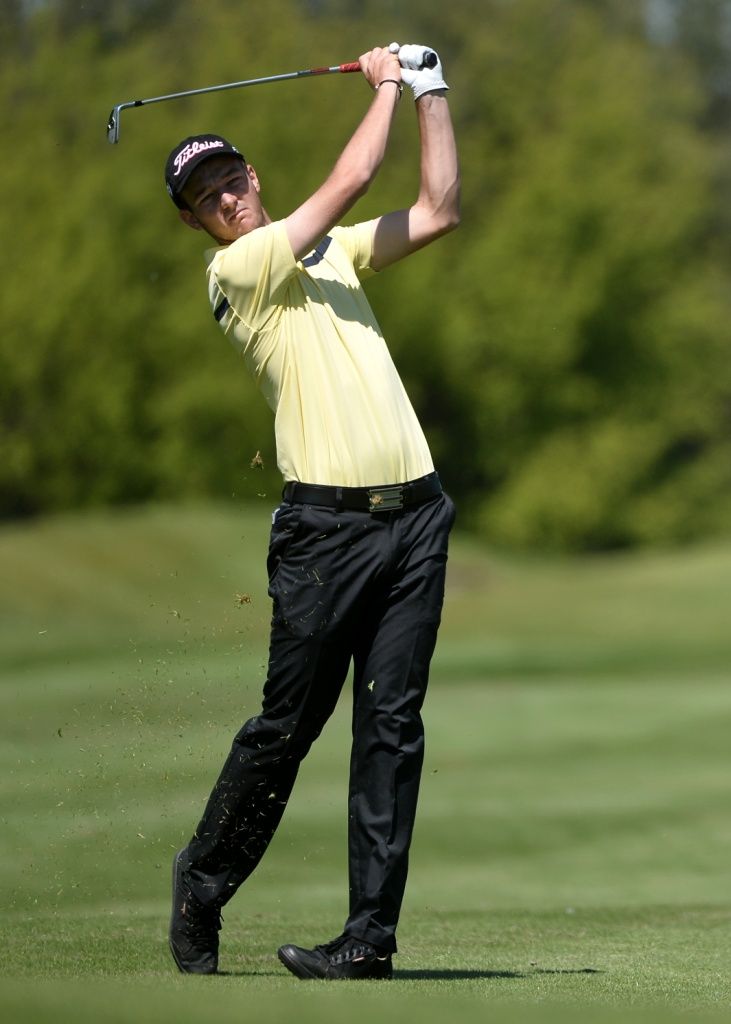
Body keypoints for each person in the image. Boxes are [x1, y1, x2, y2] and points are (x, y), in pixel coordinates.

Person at [164, 42, 460, 981]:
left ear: (251, 175)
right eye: (206, 197)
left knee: (392, 730)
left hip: (416, 518)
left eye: (229, 180)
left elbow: (438, 209)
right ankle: (202, 881)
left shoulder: (331, 255)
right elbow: (352, 178)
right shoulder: (240, 272)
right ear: (196, 221)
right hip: (325, 536)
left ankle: (367, 940)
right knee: (287, 730)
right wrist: (385, 84)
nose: (225, 199)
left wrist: (430, 89)